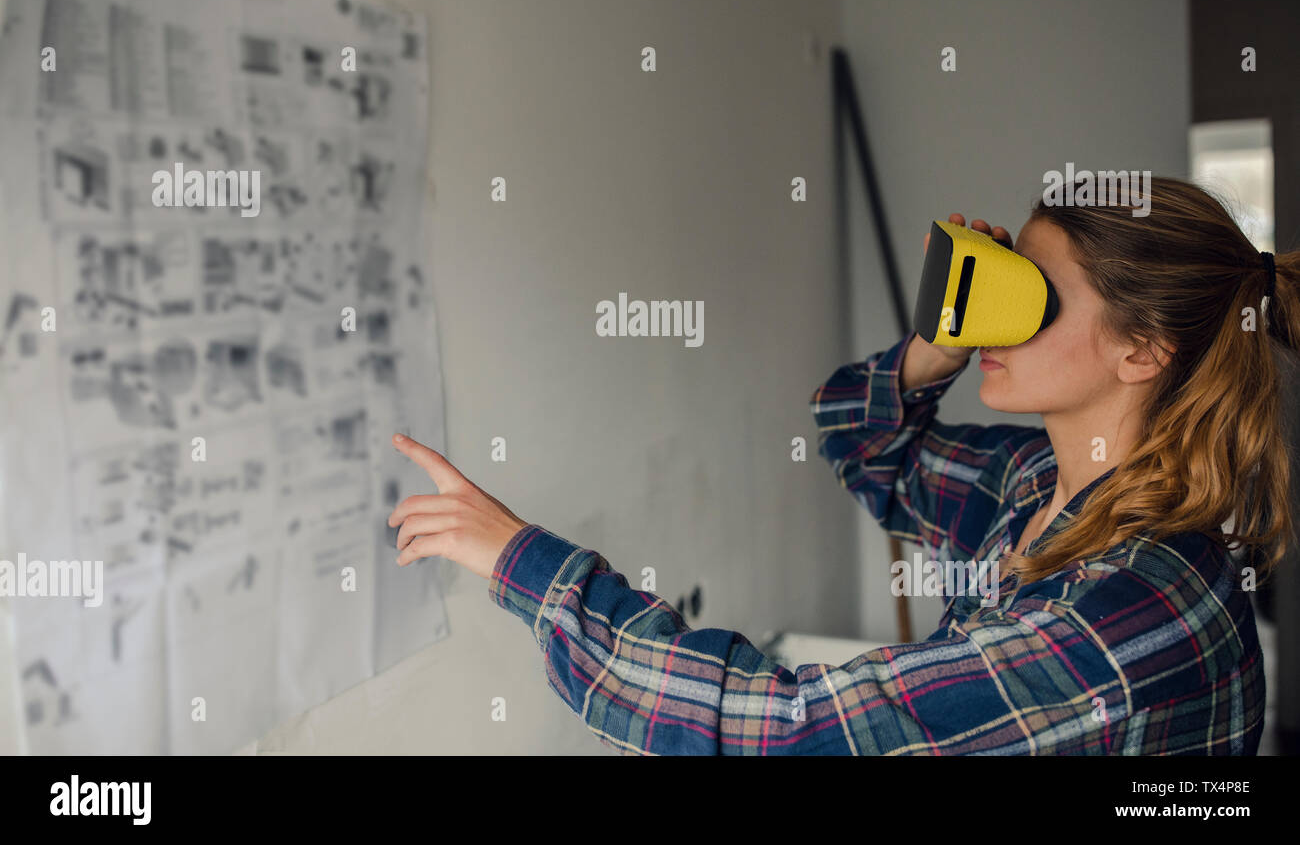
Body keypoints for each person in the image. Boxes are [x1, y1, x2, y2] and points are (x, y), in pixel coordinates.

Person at [388, 175, 1290, 754]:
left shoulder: (1134, 611)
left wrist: (523, 562)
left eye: (1035, 295)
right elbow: (865, 447)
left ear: (1144, 349)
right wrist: (936, 349)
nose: (996, 315)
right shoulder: (1037, 488)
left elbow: (782, 732)